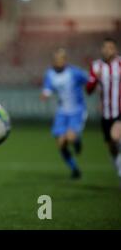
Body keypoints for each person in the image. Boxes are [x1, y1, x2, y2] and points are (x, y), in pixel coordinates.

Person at [41, 48, 88, 179]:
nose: (57, 61)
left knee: (71, 138)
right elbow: (47, 88)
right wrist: (45, 94)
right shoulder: (50, 73)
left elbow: (89, 81)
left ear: (65, 60)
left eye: (60, 59)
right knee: (61, 144)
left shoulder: (74, 72)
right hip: (62, 112)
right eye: (55, 59)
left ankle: (77, 142)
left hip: (76, 110)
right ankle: (75, 170)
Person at [86, 37, 121, 183]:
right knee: (111, 147)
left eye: (111, 47)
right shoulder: (96, 66)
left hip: (119, 111)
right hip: (106, 113)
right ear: (102, 49)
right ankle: (118, 169)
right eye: (105, 47)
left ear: (115, 50)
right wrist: (95, 80)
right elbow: (88, 90)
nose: (107, 50)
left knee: (116, 137)